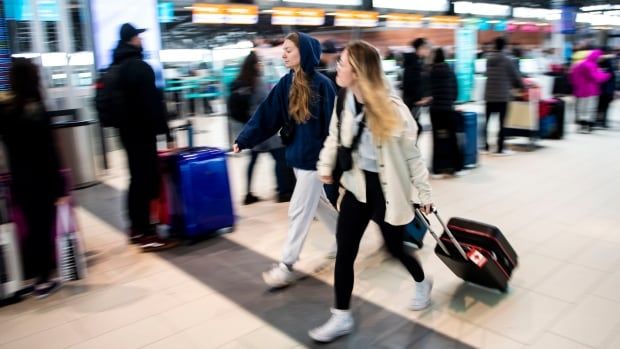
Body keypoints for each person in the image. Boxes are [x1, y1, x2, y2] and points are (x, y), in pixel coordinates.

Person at [309, 41, 434, 343]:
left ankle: (421, 281)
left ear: (359, 71)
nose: (337, 67)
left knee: (394, 247)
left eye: (342, 64)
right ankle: (341, 316)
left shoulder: (392, 109)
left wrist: (425, 194)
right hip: (355, 185)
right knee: (345, 251)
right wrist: (325, 165)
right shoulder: (344, 99)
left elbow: (412, 157)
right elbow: (334, 137)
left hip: (386, 188)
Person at [233, 32, 338, 288]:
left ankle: (287, 265)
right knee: (320, 204)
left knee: (299, 211)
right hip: (298, 158)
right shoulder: (285, 84)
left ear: (305, 53)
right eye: (284, 50)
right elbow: (266, 115)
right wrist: (244, 139)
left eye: (289, 50)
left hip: (316, 161)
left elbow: (334, 127)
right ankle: (344, 238)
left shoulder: (323, 85)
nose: (284, 54)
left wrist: (333, 162)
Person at [0, 58, 66, 298]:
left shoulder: (7, 111)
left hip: (20, 181)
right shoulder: (36, 109)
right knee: (44, 228)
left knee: (30, 228)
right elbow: (49, 151)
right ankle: (43, 279)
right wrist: (60, 187)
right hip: (42, 180)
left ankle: (34, 274)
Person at [112, 23, 177, 252]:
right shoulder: (140, 67)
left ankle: (135, 228)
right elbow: (154, 105)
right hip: (143, 132)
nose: (142, 39)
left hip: (126, 133)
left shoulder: (116, 66)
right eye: (139, 36)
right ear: (133, 39)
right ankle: (147, 232)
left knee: (135, 179)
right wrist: (167, 134)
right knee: (146, 180)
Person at [228, 52, 295, 205]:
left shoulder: (241, 81)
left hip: (251, 128)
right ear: (255, 64)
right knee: (280, 157)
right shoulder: (257, 81)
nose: (261, 65)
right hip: (263, 129)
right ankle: (283, 192)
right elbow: (267, 103)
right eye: (260, 62)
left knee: (253, 160)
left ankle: (248, 193)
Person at [483, 37, 524, 155]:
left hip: (489, 95)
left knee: (487, 121)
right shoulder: (507, 60)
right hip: (502, 96)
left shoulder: (488, 59)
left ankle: (486, 146)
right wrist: (522, 86)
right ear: (505, 46)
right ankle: (500, 148)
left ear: (495, 46)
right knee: (502, 123)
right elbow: (515, 76)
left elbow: (487, 74)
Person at [429, 47, 462, 176]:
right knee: (452, 138)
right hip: (448, 109)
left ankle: (437, 168)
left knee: (437, 139)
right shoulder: (450, 71)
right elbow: (455, 91)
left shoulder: (430, 71)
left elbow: (428, 90)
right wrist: (450, 101)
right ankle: (455, 167)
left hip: (435, 110)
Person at [570, 49, 611, 133]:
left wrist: (576, 86)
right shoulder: (591, 65)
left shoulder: (579, 64)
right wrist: (606, 75)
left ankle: (581, 125)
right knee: (590, 108)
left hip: (580, 90)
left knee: (581, 108)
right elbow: (596, 77)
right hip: (591, 90)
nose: (600, 59)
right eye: (599, 57)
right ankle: (587, 126)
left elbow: (572, 76)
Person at [401, 38, 432, 140]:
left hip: (413, 101)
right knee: (414, 128)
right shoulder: (413, 64)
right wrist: (419, 99)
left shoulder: (415, 62)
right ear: (420, 48)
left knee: (414, 128)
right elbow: (411, 84)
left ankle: (410, 152)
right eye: (426, 48)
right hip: (413, 102)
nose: (428, 50)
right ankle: (409, 153)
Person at [596, 52, 616, 129]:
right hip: (599, 90)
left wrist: (612, 91)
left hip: (606, 90)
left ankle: (603, 121)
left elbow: (612, 79)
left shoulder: (609, 66)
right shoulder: (597, 65)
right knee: (598, 106)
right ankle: (598, 120)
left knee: (605, 107)